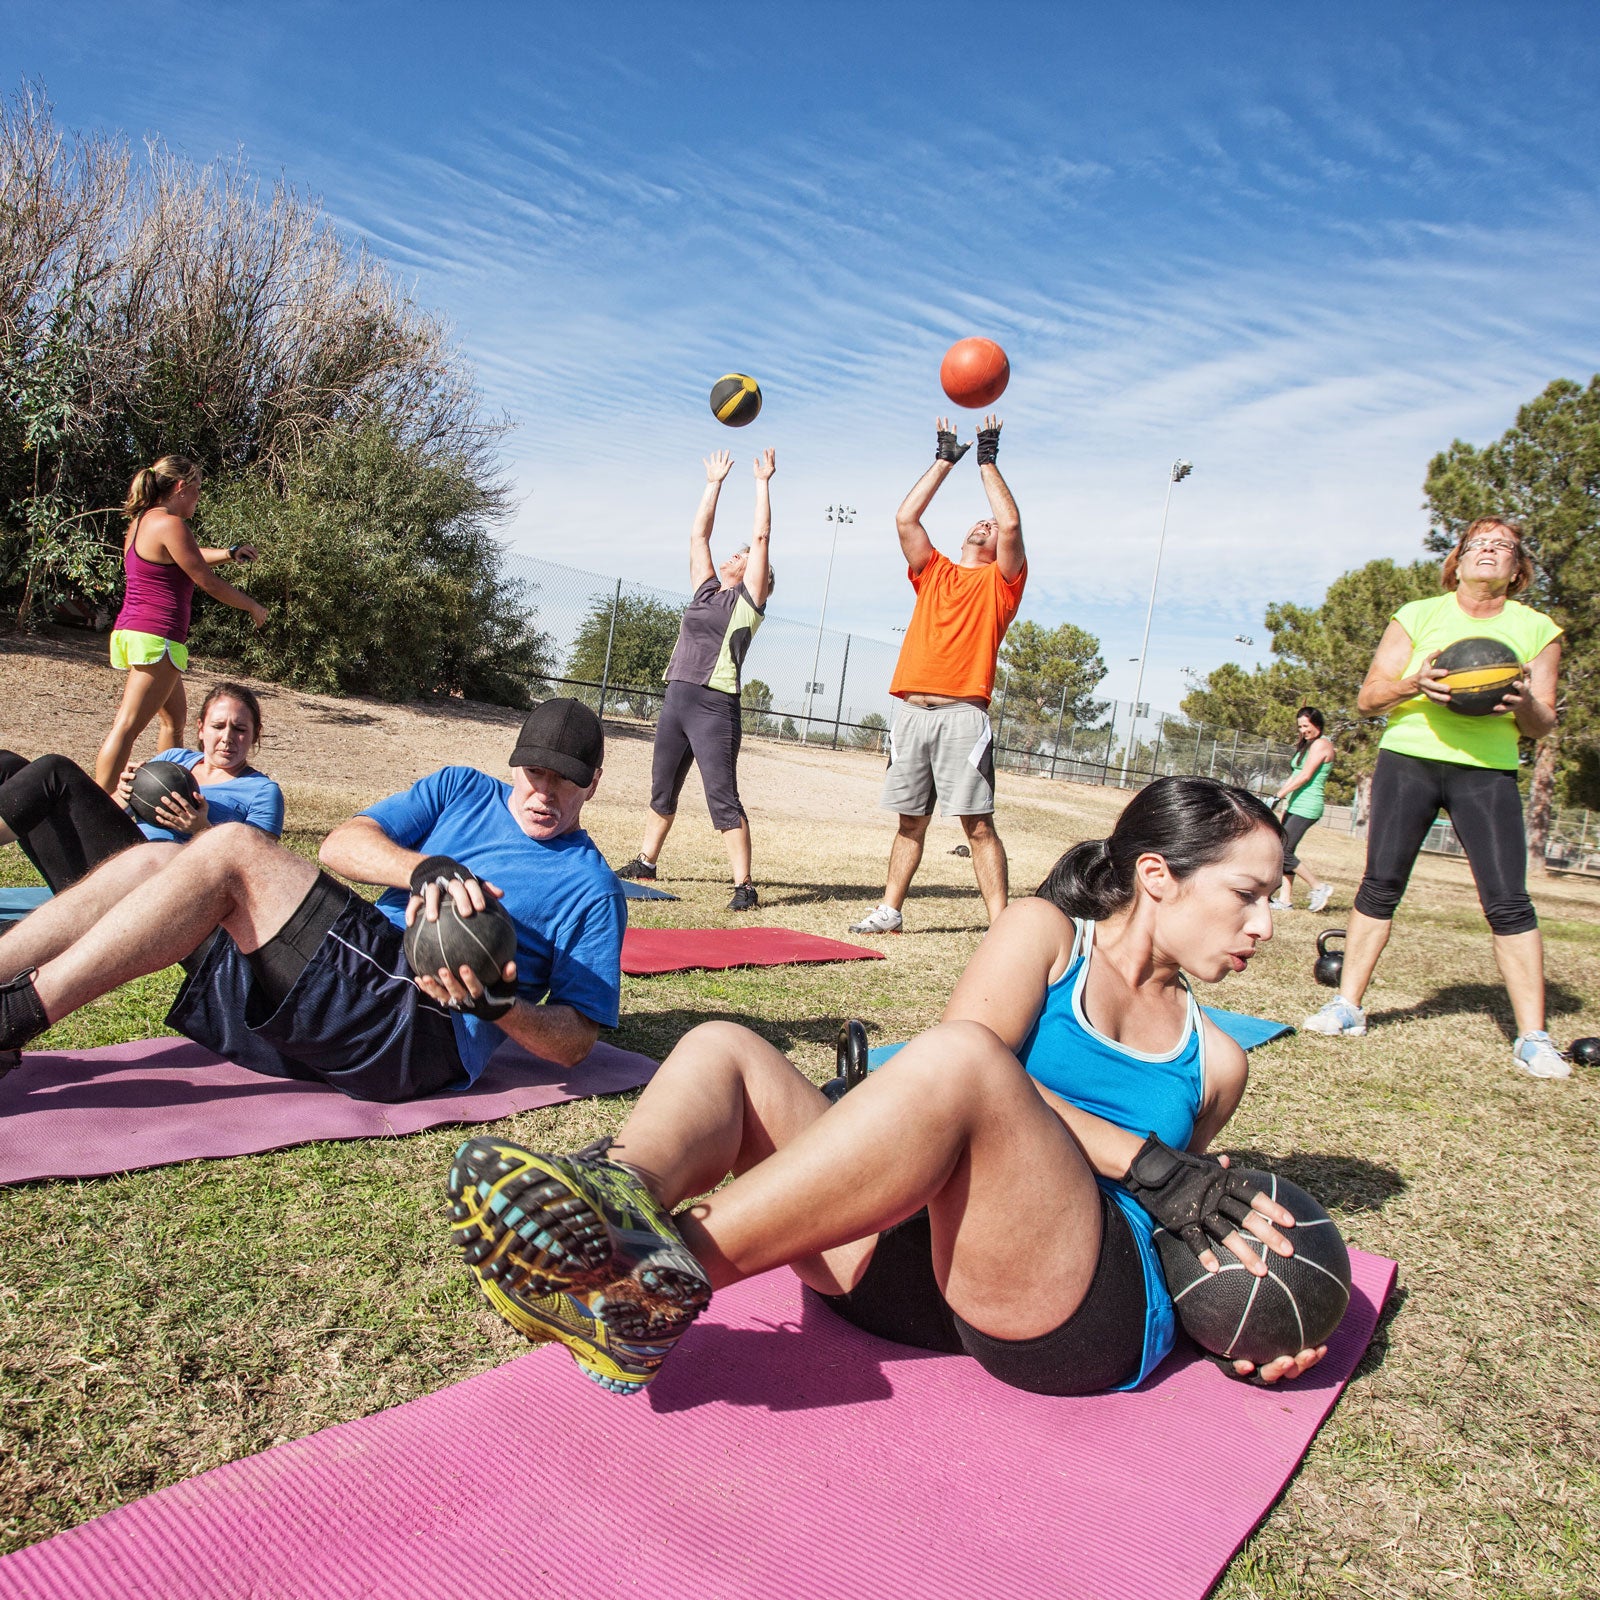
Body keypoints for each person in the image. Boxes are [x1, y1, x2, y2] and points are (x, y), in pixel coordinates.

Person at [445, 776, 1327, 1400]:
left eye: (1273, 900)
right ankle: (615, 1195)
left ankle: (637, 1287)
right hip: (903, 1280)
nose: (1265, 925)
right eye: (1249, 893)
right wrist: (1152, 1160)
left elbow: (1174, 1220)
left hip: (1063, 1308)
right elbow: (969, 1068)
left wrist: (1250, 1318)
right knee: (725, 1046)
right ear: (1158, 876)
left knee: (962, 1065)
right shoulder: (1046, 935)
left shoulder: (1219, 1060)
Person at [0, 700, 626, 1101]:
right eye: (533, 773)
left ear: (593, 784)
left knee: (233, 847)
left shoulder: (591, 887)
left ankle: (14, 1016)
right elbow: (342, 845)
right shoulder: (460, 788)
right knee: (161, 859)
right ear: (515, 764)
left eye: (565, 780)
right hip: (354, 977)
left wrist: (498, 1006)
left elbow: (575, 1040)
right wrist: (425, 867)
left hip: (418, 1031)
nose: (543, 792)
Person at [1301, 517, 1568, 1078]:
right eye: (1479, 544)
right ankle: (1346, 1005)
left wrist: (1520, 700)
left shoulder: (1538, 629)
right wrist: (1414, 684)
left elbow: (1543, 724)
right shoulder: (1418, 614)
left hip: (1487, 771)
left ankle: (1533, 1038)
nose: (1490, 552)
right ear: (1458, 561)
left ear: (1518, 569)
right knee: (1380, 884)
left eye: (1503, 547)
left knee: (1508, 900)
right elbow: (1370, 697)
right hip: (1410, 760)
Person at [849, 416, 1025, 935]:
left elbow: (1011, 525)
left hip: (963, 717)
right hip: (911, 714)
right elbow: (906, 517)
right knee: (910, 822)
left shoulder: (1002, 583)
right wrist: (944, 459)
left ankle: (1002, 926)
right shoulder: (935, 571)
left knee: (977, 825)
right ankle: (890, 910)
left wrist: (987, 460)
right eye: (981, 521)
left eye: (989, 527)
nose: (986, 525)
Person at [614, 450, 775, 911]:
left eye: (742, 555)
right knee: (662, 787)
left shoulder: (747, 602)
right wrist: (714, 483)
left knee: (722, 797)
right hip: (676, 698)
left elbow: (761, 536)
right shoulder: (706, 591)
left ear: (755, 574)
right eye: (736, 552)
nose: (735, 554)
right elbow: (698, 535)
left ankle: (744, 886)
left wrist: (761, 482)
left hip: (713, 704)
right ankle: (646, 862)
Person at [0, 684, 284, 893]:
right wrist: (122, 798)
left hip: (149, 887)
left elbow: (255, 871)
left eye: (240, 729)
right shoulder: (174, 759)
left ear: (255, 734)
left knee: (54, 769)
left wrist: (202, 831)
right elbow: (109, 818)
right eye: (218, 726)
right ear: (200, 729)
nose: (227, 738)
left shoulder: (262, 792)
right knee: (7, 764)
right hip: (106, 864)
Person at [93, 456, 268, 792]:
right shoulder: (172, 525)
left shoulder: (144, 522)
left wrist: (230, 553)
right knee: (127, 725)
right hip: (156, 635)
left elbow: (189, 554)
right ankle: (99, 803)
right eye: (197, 490)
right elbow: (207, 580)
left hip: (138, 631)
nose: (198, 498)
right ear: (179, 487)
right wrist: (252, 606)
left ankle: (164, 794)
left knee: (173, 722)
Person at [1269, 707, 1334, 912]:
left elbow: (1305, 776)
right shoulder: (1307, 746)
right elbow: (1295, 774)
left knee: (1284, 851)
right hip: (1295, 804)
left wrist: (1277, 796)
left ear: (1317, 724)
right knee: (1285, 849)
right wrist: (1278, 797)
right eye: (1300, 727)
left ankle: (1319, 887)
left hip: (1308, 806)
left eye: (1306, 725)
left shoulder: (1322, 745)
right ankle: (1285, 900)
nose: (1303, 730)